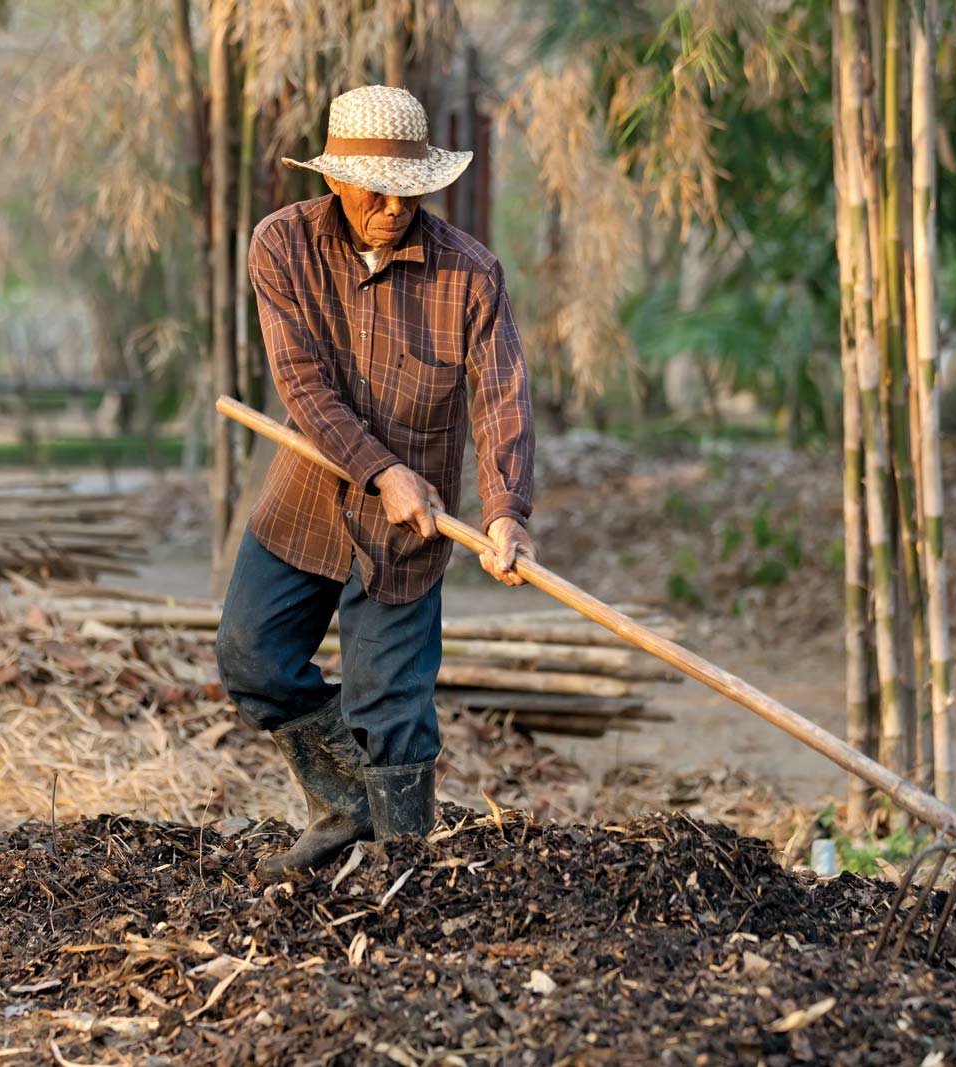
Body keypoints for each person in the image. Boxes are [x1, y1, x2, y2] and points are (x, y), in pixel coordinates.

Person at [214, 84, 536, 881]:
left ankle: (404, 874)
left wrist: (506, 510)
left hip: (406, 528)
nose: (395, 209)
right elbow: (302, 383)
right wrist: (381, 469)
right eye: (376, 191)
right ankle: (347, 807)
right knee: (252, 657)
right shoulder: (281, 245)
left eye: (410, 191)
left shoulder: (471, 275)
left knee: (390, 711)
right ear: (334, 177)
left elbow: (501, 398)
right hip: (307, 500)